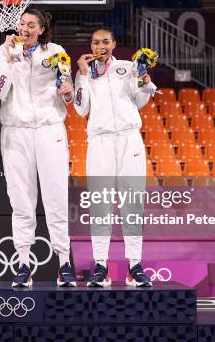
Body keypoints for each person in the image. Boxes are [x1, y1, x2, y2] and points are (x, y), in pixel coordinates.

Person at [0, 9, 76, 287]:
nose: (25, 28)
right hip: (15, 131)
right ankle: (23, 263)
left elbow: (67, 91)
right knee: (20, 200)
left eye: (31, 24)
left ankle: (64, 263)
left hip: (49, 129)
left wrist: (67, 91)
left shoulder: (55, 51)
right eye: (21, 24)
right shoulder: (6, 51)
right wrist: (7, 57)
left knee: (55, 196)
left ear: (41, 29)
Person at [74, 29, 157, 287]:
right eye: (96, 42)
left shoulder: (128, 67)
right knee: (101, 205)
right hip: (99, 141)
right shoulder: (84, 73)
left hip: (129, 138)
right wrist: (83, 76)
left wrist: (143, 77)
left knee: (132, 204)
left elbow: (142, 100)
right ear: (91, 45)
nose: (101, 46)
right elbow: (80, 108)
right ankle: (101, 265)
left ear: (114, 44)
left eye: (106, 41)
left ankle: (135, 265)